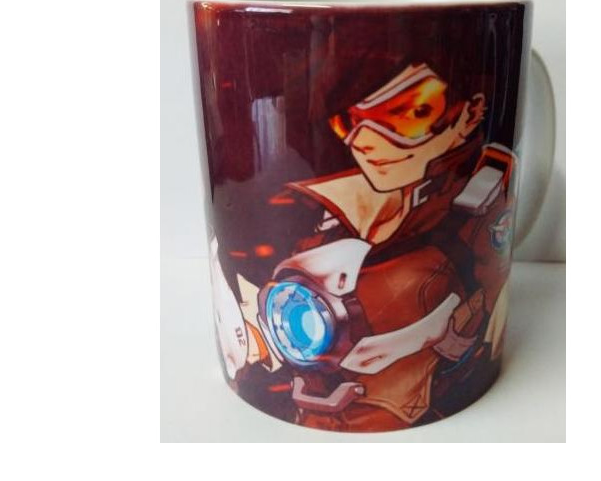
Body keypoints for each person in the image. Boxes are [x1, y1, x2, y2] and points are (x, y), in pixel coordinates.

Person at [212, 57, 516, 432]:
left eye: (408, 114)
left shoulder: (475, 202)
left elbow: (425, 295)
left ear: (470, 113)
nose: (367, 141)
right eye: (351, 122)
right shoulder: (330, 210)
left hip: (420, 411)